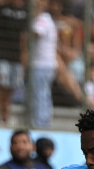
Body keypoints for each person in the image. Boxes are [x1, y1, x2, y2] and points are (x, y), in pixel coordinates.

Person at [30, 0, 58, 128]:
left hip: (41, 64)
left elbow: (36, 33)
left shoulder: (42, 19)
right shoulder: (48, 19)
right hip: (47, 64)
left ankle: (41, 122)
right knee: (44, 93)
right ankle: (44, 120)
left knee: (40, 93)